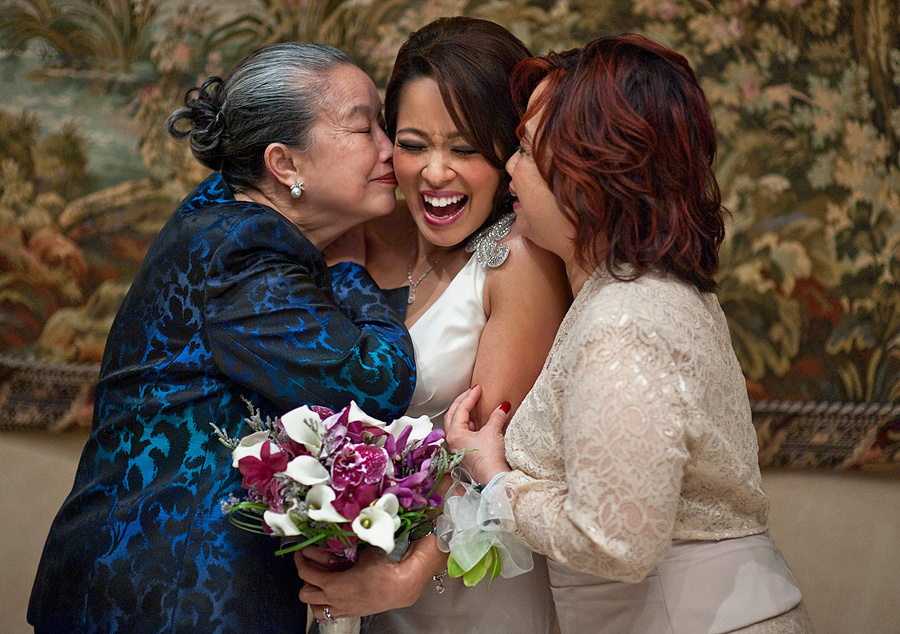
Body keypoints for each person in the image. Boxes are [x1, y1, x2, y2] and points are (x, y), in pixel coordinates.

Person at [28, 42, 416, 633]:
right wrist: (350, 269)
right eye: (365, 129)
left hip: (136, 582)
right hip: (169, 596)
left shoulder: (220, 209)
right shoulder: (245, 249)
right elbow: (376, 382)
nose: (390, 150)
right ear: (285, 165)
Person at [444, 34, 814, 633]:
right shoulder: (644, 292)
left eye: (528, 151)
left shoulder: (625, 320)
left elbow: (616, 543)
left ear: (593, 174)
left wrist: (496, 479)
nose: (509, 167)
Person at [295, 17, 570, 632]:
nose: (435, 173)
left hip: (466, 589)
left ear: (509, 153)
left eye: (465, 149)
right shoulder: (360, 234)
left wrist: (404, 577)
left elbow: (494, 464)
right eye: (414, 144)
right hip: (353, 580)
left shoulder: (518, 262)